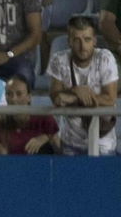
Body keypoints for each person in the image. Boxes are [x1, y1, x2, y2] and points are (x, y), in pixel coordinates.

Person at [47, 16, 118, 157]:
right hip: (70, 140)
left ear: (95, 40)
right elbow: (55, 95)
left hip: (102, 142)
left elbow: (110, 99)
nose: (82, 46)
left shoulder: (105, 58)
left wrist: (73, 97)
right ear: (69, 41)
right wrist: (75, 90)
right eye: (77, 40)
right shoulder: (59, 60)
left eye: (87, 39)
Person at [0, 72, 57, 153]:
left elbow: (59, 148)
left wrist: (46, 137)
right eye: (9, 94)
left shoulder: (44, 118)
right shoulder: (1, 124)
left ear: (29, 97)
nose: (13, 99)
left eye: (19, 94)